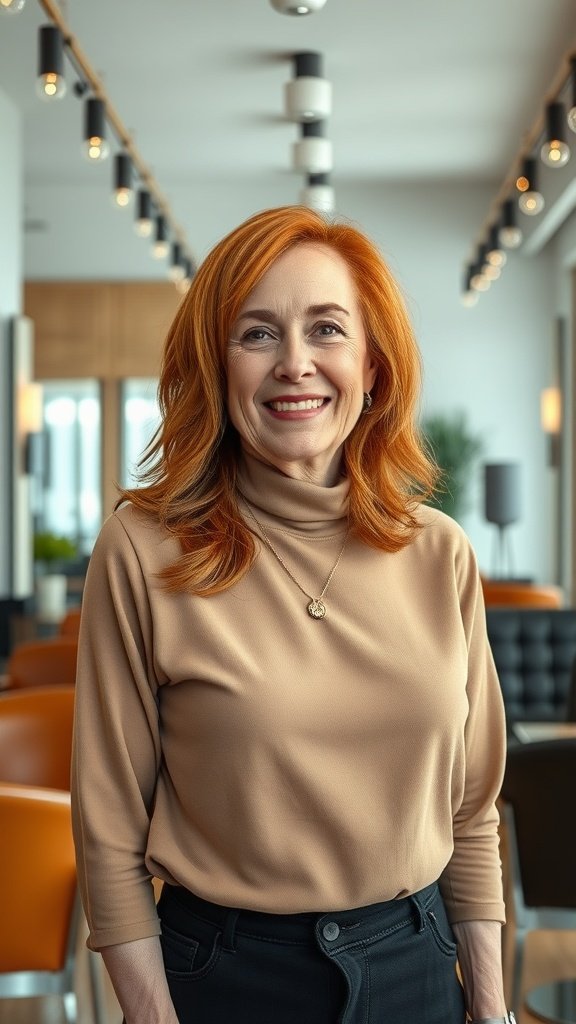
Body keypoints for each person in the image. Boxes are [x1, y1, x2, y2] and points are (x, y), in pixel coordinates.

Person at [71, 205, 513, 1024]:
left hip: (417, 964)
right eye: (258, 333)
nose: (295, 364)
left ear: (374, 367)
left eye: (327, 330)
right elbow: (108, 836)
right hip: (224, 979)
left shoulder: (440, 554)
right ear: (217, 365)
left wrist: (492, 1011)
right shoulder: (142, 551)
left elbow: (472, 814)